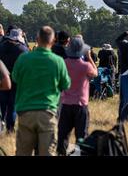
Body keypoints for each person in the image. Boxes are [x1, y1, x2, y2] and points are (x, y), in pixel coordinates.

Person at [12, 26, 71, 156]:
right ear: (53, 41)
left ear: (37, 39)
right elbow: (66, 84)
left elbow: (15, 78)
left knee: (23, 152)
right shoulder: (58, 62)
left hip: (25, 111)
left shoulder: (24, 58)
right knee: (47, 152)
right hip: (47, 111)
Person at [57, 36, 98, 155]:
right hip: (80, 104)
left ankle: (61, 153)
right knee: (81, 136)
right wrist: (89, 57)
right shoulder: (85, 66)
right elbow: (95, 73)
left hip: (66, 104)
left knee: (63, 134)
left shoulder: (63, 63)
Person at [0, 28, 28, 133]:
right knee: (12, 107)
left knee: (2, 106)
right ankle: (10, 129)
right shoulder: (23, 50)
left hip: (2, 80)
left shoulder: (1, 46)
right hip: (16, 82)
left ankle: (1, 126)